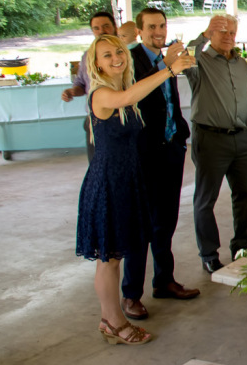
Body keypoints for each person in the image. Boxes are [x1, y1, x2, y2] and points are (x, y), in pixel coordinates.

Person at [75, 34, 194, 346]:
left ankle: (110, 318)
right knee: (108, 258)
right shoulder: (102, 94)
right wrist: (169, 70)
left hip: (127, 180)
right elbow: (129, 99)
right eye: (106, 55)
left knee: (116, 256)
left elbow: (134, 95)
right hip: (108, 184)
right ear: (95, 64)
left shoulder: (120, 88)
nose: (116, 58)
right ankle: (112, 320)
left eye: (118, 52)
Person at [119, 7, 200, 322]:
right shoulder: (132, 60)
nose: (159, 31)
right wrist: (167, 66)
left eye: (162, 25)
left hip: (171, 148)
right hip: (143, 152)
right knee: (141, 225)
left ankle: (164, 281)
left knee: (166, 220)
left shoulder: (169, 56)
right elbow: (133, 95)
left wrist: (179, 136)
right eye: (152, 26)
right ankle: (130, 295)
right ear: (139, 31)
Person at [185, 15, 247, 274]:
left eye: (232, 32)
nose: (228, 36)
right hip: (211, 137)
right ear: (212, 33)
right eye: (221, 31)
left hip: (242, 137)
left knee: (245, 194)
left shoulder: (241, 63)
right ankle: (209, 253)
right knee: (206, 199)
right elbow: (182, 56)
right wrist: (203, 33)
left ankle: (242, 246)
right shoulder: (199, 61)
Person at [61, 11, 117, 163]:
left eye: (106, 26)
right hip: (95, 121)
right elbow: (80, 84)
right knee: (96, 165)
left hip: (120, 120)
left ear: (114, 27)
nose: (101, 31)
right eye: (96, 28)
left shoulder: (126, 54)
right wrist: (72, 91)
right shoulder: (87, 56)